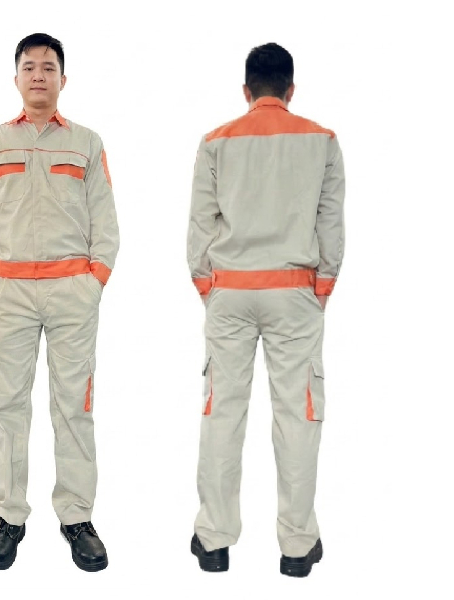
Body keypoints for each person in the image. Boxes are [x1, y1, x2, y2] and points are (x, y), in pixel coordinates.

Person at [187, 42, 345, 577]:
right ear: (291, 89)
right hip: (294, 293)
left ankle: (213, 541)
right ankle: (297, 548)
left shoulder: (216, 141)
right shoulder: (322, 141)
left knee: (222, 414)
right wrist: (321, 285)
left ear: (246, 90)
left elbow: (200, 221)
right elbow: (330, 221)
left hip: (230, 292)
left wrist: (207, 284)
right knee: (298, 417)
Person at [0, 33, 119, 572]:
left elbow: (105, 219)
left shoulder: (86, 143)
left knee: (74, 405)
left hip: (72, 290)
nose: (38, 75)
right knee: (6, 406)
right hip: (6, 293)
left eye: (48, 67)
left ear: (62, 80)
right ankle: (9, 516)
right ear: (16, 78)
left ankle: (77, 516)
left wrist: (95, 278)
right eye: (29, 67)